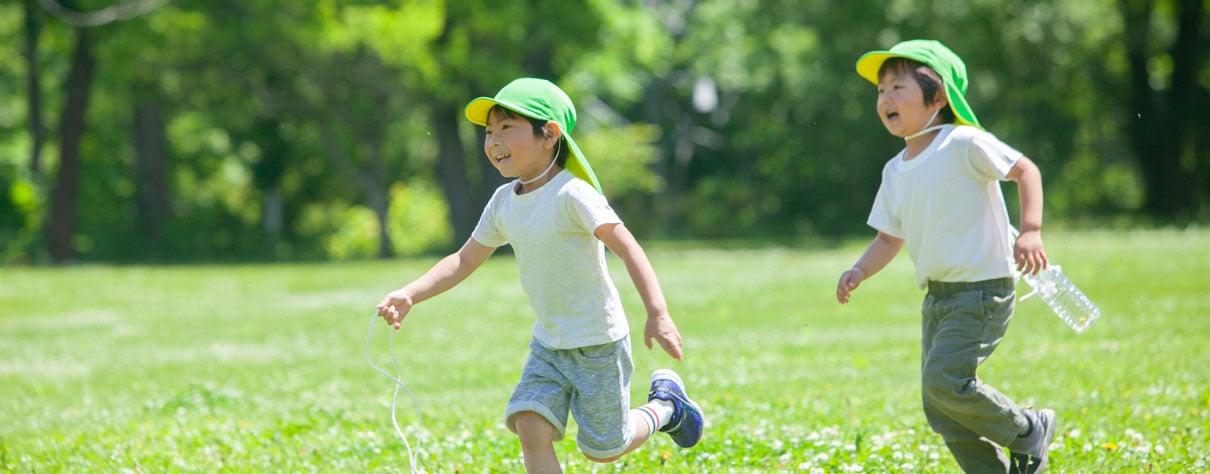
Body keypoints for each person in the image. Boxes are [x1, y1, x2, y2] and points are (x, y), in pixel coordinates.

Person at [375, 77, 704, 473]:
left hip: (597, 341)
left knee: (605, 448)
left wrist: (658, 312)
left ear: (549, 135)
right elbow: (463, 260)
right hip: (548, 344)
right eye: (489, 131)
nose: (493, 140)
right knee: (529, 425)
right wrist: (410, 293)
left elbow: (627, 247)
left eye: (507, 128)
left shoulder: (573, 195)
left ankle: (666, 408)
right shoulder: (503, 202)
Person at [836, 40, 1057, 473]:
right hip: (937, 297)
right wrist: (859, 269)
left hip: (982, 290)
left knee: (945, 383)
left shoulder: (964, 142)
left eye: (898, 87)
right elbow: (888, 238)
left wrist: (1031, 230)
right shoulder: (896, 169)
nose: (885, 99)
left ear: (938, 97)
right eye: (880, 91)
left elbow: (1024, 170)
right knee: (940, 406)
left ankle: (1028, 429)